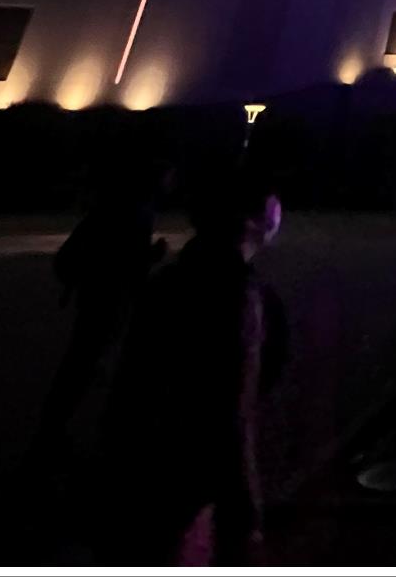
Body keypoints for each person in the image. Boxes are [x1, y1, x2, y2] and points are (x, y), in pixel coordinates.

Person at [100, 169, 289, 565]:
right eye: (272, 202)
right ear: (250, 219)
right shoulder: (240, 297)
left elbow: (129, 384)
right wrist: (246, 504)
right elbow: (233, 411)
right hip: (194, 477)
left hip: (143, 466)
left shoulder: (168, 282)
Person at [33, 156, 169, 456]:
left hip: (95, 296)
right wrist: (153, 257)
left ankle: (54, 428)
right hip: (111, 299)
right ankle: (63, 432)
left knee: (81, 363)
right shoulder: (138, 212)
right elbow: (126, 263)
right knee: (87, 364)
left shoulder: (113, 207)